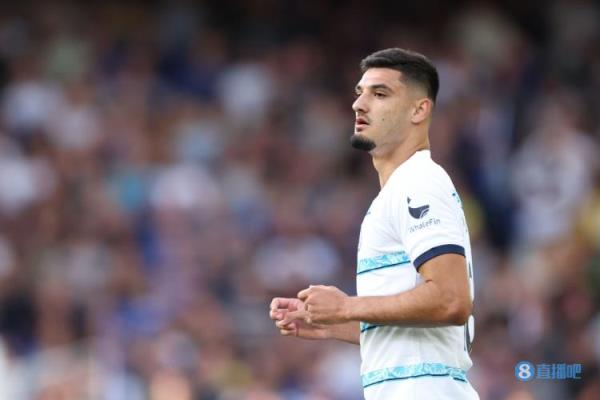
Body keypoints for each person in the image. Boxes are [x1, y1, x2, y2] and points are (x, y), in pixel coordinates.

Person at [269, 48, 479, 399]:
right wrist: (337, 323)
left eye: (380, 94)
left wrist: (346, 307)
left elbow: (450, 300)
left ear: (419, 110)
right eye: (360, 93)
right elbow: (428, 332)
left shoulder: (419, 181)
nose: (359, 104)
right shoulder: (398, 190)